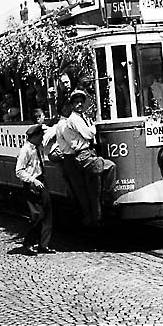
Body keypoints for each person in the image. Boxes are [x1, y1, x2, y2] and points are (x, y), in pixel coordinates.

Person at [65, 90, 116, 225]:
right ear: (71, 105)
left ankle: (96, 216)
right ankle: (105, 200)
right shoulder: (74, 119)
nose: (79, 104)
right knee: (108, 167)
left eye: (81, 102)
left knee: (93, 187)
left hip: (89, 152)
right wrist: (93, 127)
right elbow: (88, 134)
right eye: (76, 102)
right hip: (83, 155)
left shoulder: (82, 117)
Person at [15, 124, 55, 255]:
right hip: (32, 184)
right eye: (40, 135)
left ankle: (44, 245)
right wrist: (33, 180)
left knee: (48, 215)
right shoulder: (25, 150)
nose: (42, 138)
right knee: (38, 216)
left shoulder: (39, 146)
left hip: (42, 182)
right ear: (35, 136)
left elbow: (51, 132)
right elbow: (19, 171)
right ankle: (28, 243)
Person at [55, 102, 93, 226]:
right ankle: (87, 217)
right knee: (80, 190)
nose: (68, 108)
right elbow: (76, 142)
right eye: (64, 106)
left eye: (68, 106)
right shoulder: (63, 124)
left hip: (73, 158)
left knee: (84, 188)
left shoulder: (70, 121)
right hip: (71, 158)